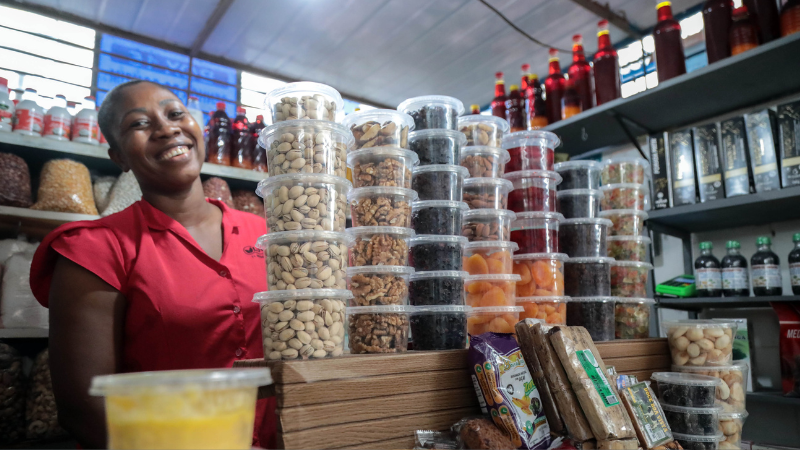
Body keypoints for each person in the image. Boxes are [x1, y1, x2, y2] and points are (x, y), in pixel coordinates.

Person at [29, 80, 275, 448]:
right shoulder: (95, 248)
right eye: (139, 124)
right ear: (119, 158)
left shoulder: (268, 235)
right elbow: (83, 407)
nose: (166, 128)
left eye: (176, 114)